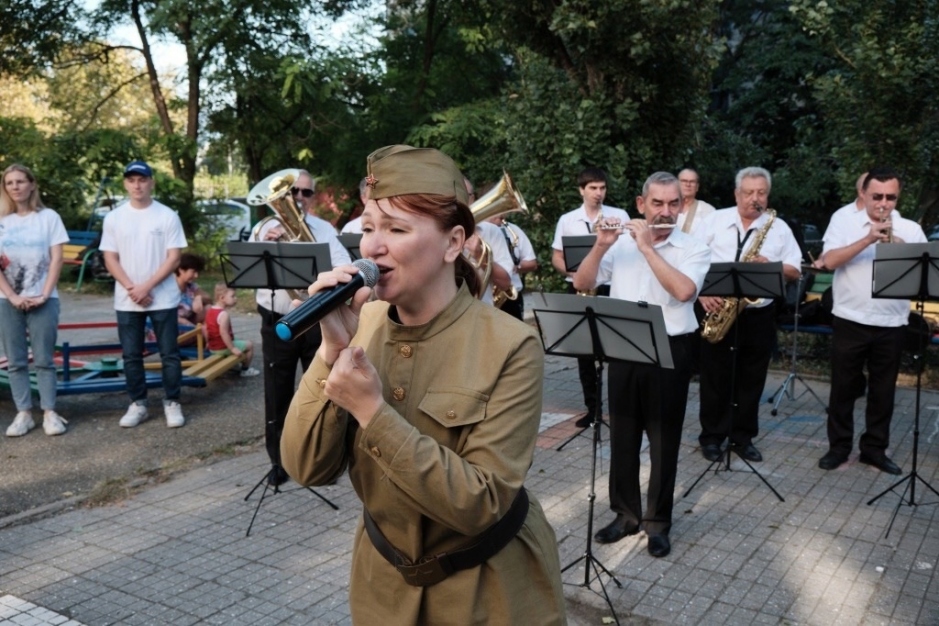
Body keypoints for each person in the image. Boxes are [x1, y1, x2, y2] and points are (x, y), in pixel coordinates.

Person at [280, 145, 566, 624]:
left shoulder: (511, 344)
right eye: (368, 228)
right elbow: (305, 466)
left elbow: (483, 503)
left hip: (490, 591)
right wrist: (331, 351)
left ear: (453, 243)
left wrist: (372, 413)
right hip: (383, 586)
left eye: (396, 229)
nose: (372, 247)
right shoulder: (364, 323)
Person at [573, 172, 710, 557]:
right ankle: (626, 514)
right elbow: (582, 283)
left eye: (673, 204)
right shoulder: (619, 244)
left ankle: (658, 522)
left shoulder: (694, 247)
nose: (665, 212)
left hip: (671, 349)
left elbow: (684, 292)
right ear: (640, 204)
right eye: (657, 204)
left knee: (664, 441)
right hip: (623, 348)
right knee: (623, 436)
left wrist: (648, 248)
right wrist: (601, 246)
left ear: (681, 206)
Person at [817, 167, 926, 474]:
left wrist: (900, 247)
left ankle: (874, 450)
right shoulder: (844, 220)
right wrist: (867, 239)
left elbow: (921, 275)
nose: (883, 204)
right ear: (863, 194)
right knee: (843, 388)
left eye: (891, 197)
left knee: (883, 392)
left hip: (892, 321)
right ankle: (838, 448)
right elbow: (829, 261)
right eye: (877, 196)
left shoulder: (910, 229)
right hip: (850, 317)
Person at [253, 169, 351, 486]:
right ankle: (278, 461)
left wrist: (322, 273)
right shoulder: (263, 228)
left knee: (322, 390)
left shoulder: (324, 229)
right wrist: (265, 247)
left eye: (305, 192)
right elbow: (251, 268)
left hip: (315, 320)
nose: (298, 198)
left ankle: (321, 459)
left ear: (312, 197)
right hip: (276, 318)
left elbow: (343, 267)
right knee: (276, 392)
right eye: (293, 191)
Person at [697, 167, 802, 462]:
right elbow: (690, 260)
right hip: (718, 307)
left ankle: (742, 438)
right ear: (736, 194)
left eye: (761, 193)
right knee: (715, 377)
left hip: (758, 314)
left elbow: (795, 269)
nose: (755, 198)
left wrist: (772, 266)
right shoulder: (714, 221)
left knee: (751, 379)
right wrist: (702, 292)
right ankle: (712, 437)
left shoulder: (778, 227)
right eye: (749, 192)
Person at [101, 160, 188, 428]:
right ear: (125, 184)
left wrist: (146, 286)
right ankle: (138, 403)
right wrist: (133, 287)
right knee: (131, 355)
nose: (137, 185)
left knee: (169, 353)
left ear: (151, 182)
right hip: (127, 299)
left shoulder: (167, 215)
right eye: (131, 180)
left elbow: (174, 258)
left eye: (142, 180)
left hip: (162, 297)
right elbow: (110, 257)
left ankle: (172, 401)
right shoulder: (114, 217)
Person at [551, 168, 630, 427]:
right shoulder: (567, 220)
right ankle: (593, 409)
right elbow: (557, 257)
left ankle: (621, 410)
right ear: (581, 190)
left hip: (611, 287)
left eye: (602, 188)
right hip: (579, 288)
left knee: (618, 351)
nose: (599, 193)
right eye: (593, 188)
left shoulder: (619, 215)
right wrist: (572, 272)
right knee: (584, 354)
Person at [0, 164, 69, 437]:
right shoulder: (1, 221)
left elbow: (57, 259)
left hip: (44, 298)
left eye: (20, 181)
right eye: (9, 183)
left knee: (44, 359)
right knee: (16, 360)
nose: (15, 187)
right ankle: (24, 413)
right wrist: (12, 296)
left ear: (31, 185)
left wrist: (44, 294)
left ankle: (50, 412)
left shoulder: (48, 218)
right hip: (7, 300)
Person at [487, 212, 538, 320]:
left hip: (510, 296)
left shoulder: (512, 230)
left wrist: (515, 267)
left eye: (503, 210)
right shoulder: (476, 231)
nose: (502, 214)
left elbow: (532, 263)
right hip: (485, 297)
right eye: (497, 210)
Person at [203, 283, 260, 377]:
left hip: (212, 347)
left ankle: (235, 364)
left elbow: (205, 328)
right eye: (232, 296)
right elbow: (224, 333)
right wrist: (232, 348)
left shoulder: (210, 311)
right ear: (222, 298)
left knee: (236, 340)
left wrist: (207, 342)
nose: (235, 298)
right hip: (222, 348)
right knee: (249, 345)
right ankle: (245, 370)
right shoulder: (223, 315)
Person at [676, 168, 717, 237]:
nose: (688, 184)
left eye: (692, 182)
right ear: (676, 184)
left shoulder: (708, 211)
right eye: (684, 181)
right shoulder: (666, 208)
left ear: (697, 187)